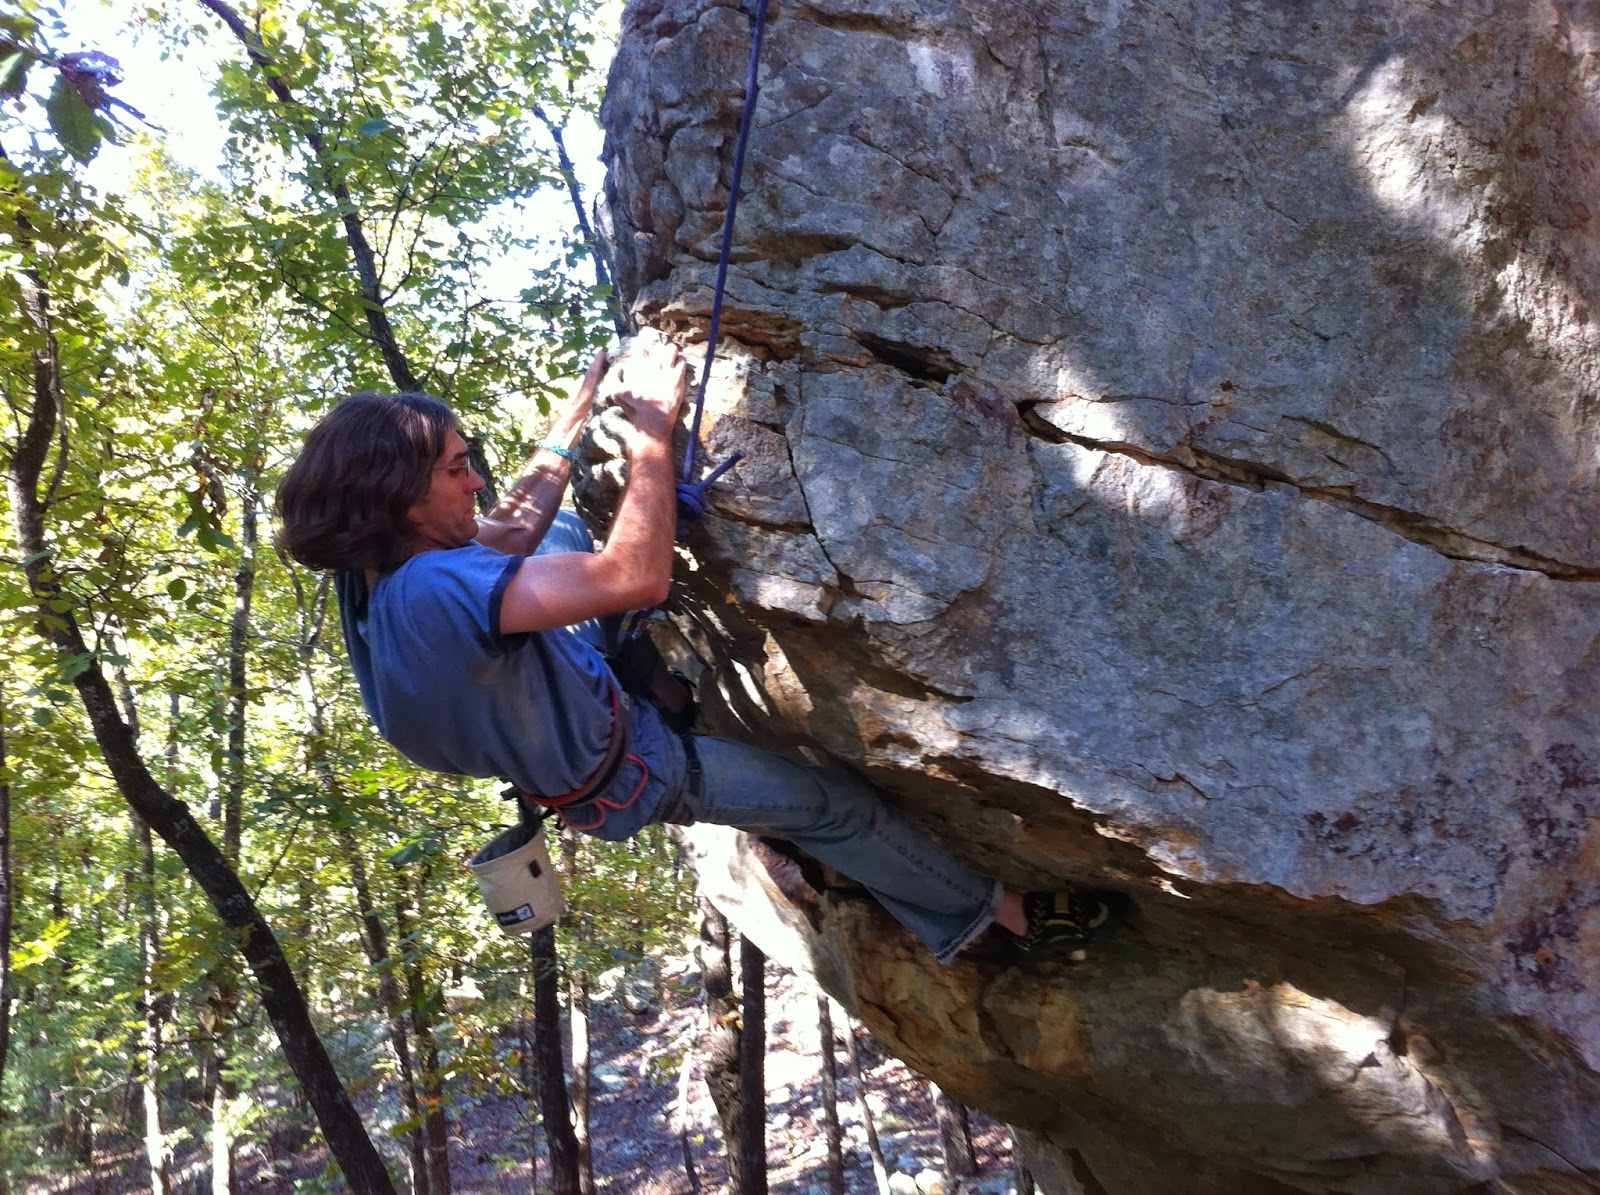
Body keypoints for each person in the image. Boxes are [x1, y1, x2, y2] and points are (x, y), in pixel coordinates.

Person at [274, 340, 1120, 965]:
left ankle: (640, 675)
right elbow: (634, 576)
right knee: (836, 806)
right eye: (458, 469)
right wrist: (652, 440)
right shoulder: (437, 592)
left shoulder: (377, 565)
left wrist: (578, 412)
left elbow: (507, 534)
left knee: (563, 527)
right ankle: (995, 920)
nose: (477, 480)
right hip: (628, 768)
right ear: (399, 493)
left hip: (539, 714)